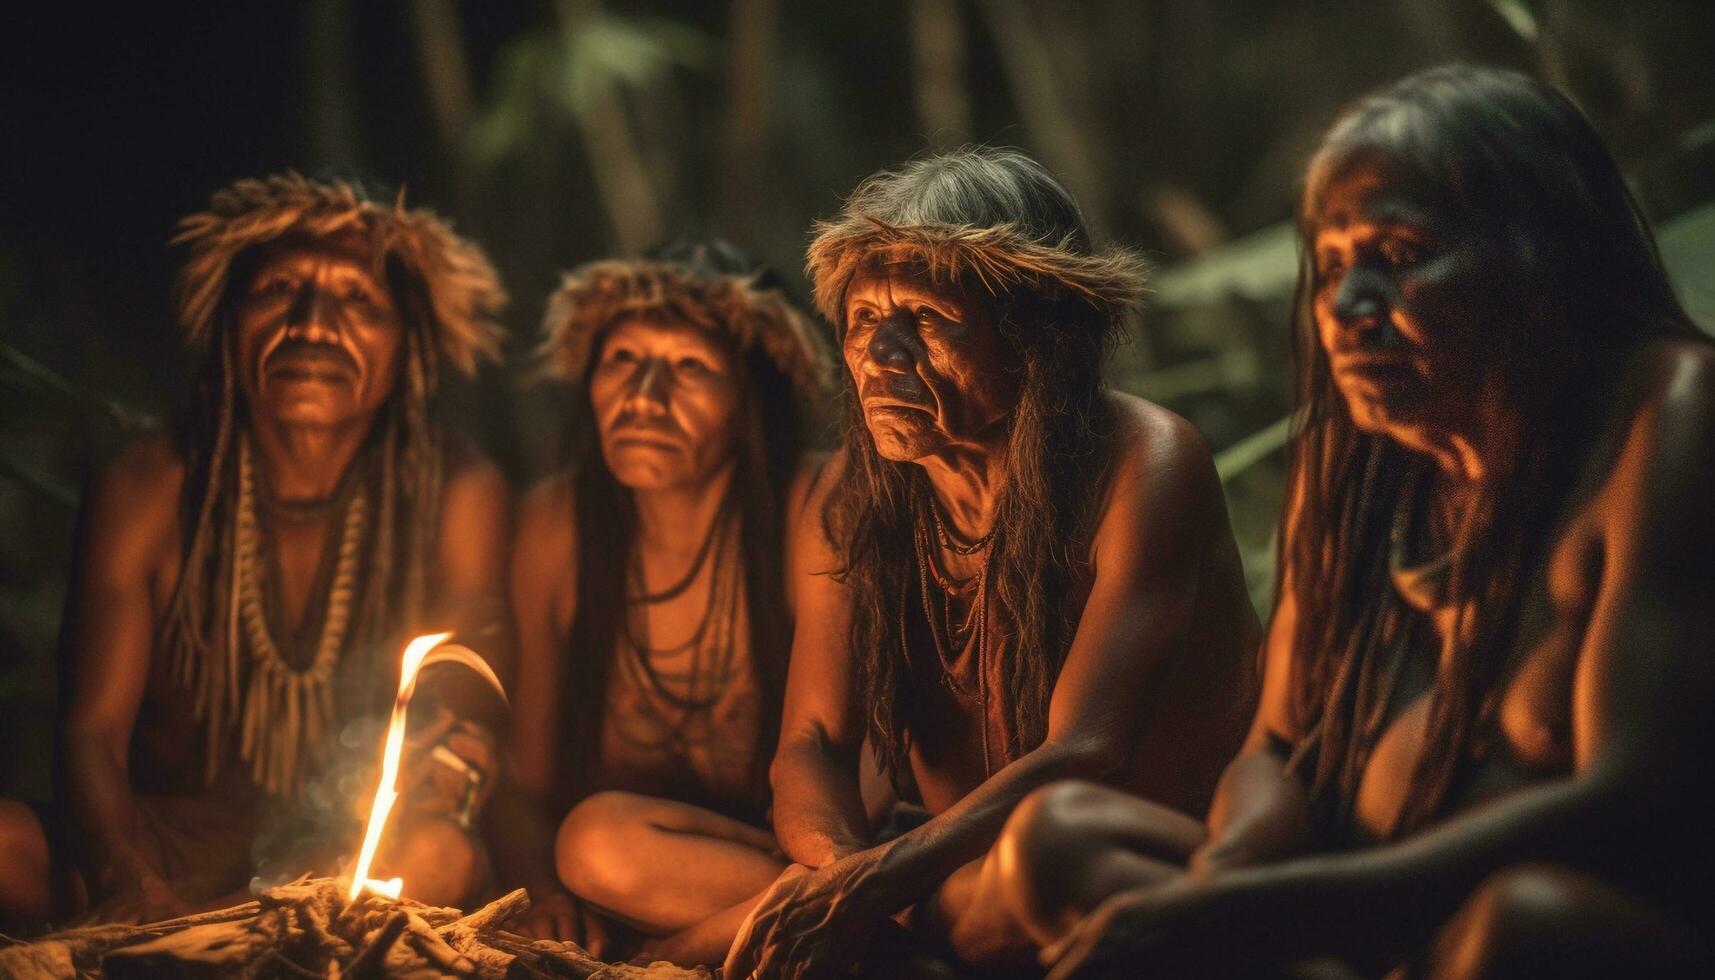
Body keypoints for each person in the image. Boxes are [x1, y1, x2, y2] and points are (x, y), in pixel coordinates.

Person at [1002, 65, 1715, 979]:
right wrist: (1222, 882)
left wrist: (1275, 914)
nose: (1345, 311)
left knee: (1522, 926)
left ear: (1536, 259)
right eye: (1332, 267)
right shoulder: (1356, 465)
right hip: (1354, 929)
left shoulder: (1666, 413)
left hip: (1550, 931)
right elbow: (1277, 747)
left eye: (1401, 255)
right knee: (1060, 840)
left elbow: (1630, 803)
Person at [722, 147, 1260, 979]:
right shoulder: (846, 497)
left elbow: (1085, 750)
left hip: (1110, 868)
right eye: (863, 319)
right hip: (926, 866)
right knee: (603, 839)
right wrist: (838, 880)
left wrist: (864, 894)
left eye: (928, 321)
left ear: (1036, 337)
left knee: (1046, 852)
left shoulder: (1146, 463)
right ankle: (897, 947)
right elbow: (813, 742)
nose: (881, 354)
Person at [0, 173, 512, 927]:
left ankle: (210, 937)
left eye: (358, 300)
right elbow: (90, 733)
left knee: (441, 858)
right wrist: (129, 876)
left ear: (409, 346)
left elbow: (460, 731)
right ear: (229, 323)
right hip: (158, 847)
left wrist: (451, 767)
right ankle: (213, 934)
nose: (312, 323)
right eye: (278, 290)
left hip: (345, 862)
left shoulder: (455, 492)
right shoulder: (148, 482)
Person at [497, 240, 830, 964]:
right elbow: (525, 780)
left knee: (597, 846)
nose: (643, 397)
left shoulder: (816, 508)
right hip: (636, 879)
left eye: (689, 367)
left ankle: (853, 923)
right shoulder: (557, 528)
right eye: (622, 360)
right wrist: (537, 892)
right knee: (592, 843)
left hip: (816, 870)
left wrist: (673, 952)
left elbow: (854, 777)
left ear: (752, 398)